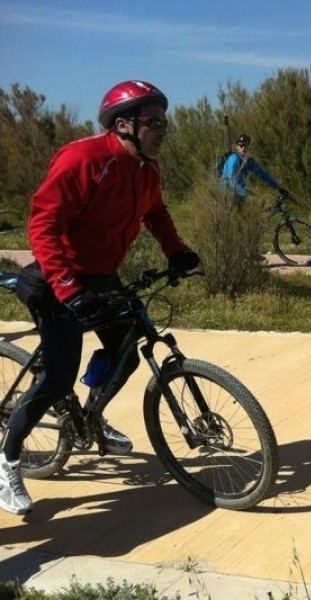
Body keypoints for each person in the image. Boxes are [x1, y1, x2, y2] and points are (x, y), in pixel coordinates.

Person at [0, 81, 200, 515]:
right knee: (57, 377)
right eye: (154, 122)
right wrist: (69, 287)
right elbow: (43, 225)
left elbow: (155, 213)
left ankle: (91, 417)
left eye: (165, 121)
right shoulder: (84, 158)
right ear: (124, 125)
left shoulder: (146, 168)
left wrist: (176, 250)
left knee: (126, 351)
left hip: (101, 275)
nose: (163, 129)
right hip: (57, 279)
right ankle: (8, 460)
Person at [220, 133, 288, 200]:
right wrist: (246, 193)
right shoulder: (233, 159)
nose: (243, 148)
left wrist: (278, 188)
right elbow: (231, 181)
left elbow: (263, 175)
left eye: (245, 145)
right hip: (226, 195)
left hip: (239, 194)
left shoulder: (249, 162)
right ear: (236, 147)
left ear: (248, 146)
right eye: (241, 146)